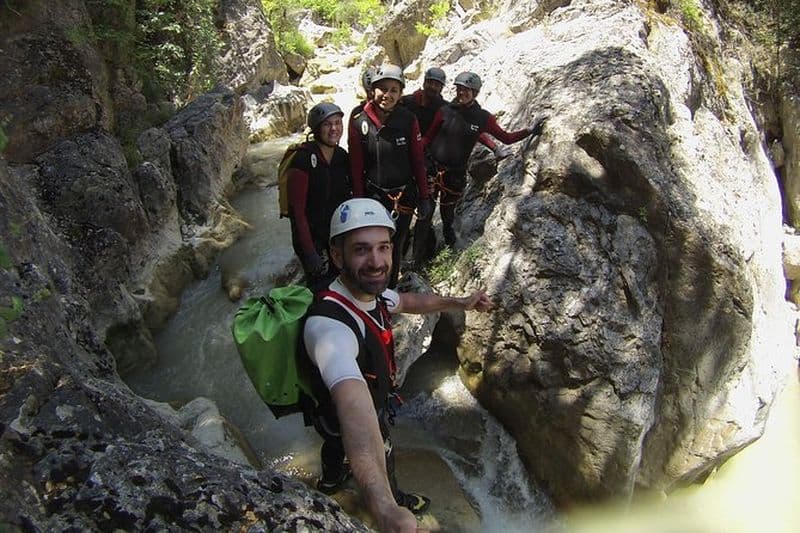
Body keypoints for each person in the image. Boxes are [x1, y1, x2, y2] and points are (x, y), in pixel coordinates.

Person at [303, 198, 493, 532]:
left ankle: (332, 482)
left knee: (335, 448)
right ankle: (393, 496)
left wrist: (459, 302)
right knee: (376, 448)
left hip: (343, 412)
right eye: (361, 250)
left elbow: (406, 301)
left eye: (384, 248)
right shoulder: (327, 326)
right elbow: (354, 408)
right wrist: (385, 509)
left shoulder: (369, 294)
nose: (376, 262)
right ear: (336, 256)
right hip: (347, 413)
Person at [419, 71, 546, 252]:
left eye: (466, 90)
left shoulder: (482, 118)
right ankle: (421, 252)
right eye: (459, 89)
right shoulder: (445, 111)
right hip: (432, 168)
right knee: (426, 212)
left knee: (447, 214)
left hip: (454, 174)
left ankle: (449, 243)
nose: (461, 93)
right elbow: (429, 137)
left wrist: (529, 130)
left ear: (475, 93)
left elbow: (506, 137)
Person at [349, 64, 433, 288]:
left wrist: (424, 196)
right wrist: (358, 200)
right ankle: (372, 286)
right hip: (374, 196)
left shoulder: (408, 119)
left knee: (398, 241)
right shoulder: (359, 120)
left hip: (404, 196)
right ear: (373, 90)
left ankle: (390, 288)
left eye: (394, 90)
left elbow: (417, 159)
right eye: (383, 89)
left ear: (401, 93)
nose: (388, 95)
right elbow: (356, 166)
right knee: (374, 244)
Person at [287, 102, 352, 292]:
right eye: (327, 124)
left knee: (341, 281)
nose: (334, 129)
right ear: (316, 129)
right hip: (311, 236)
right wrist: (309, 251)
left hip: (335, 234)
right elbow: (297, 211)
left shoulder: (342, 157)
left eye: (338, 123)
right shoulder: (303, 159)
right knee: (319, 288)